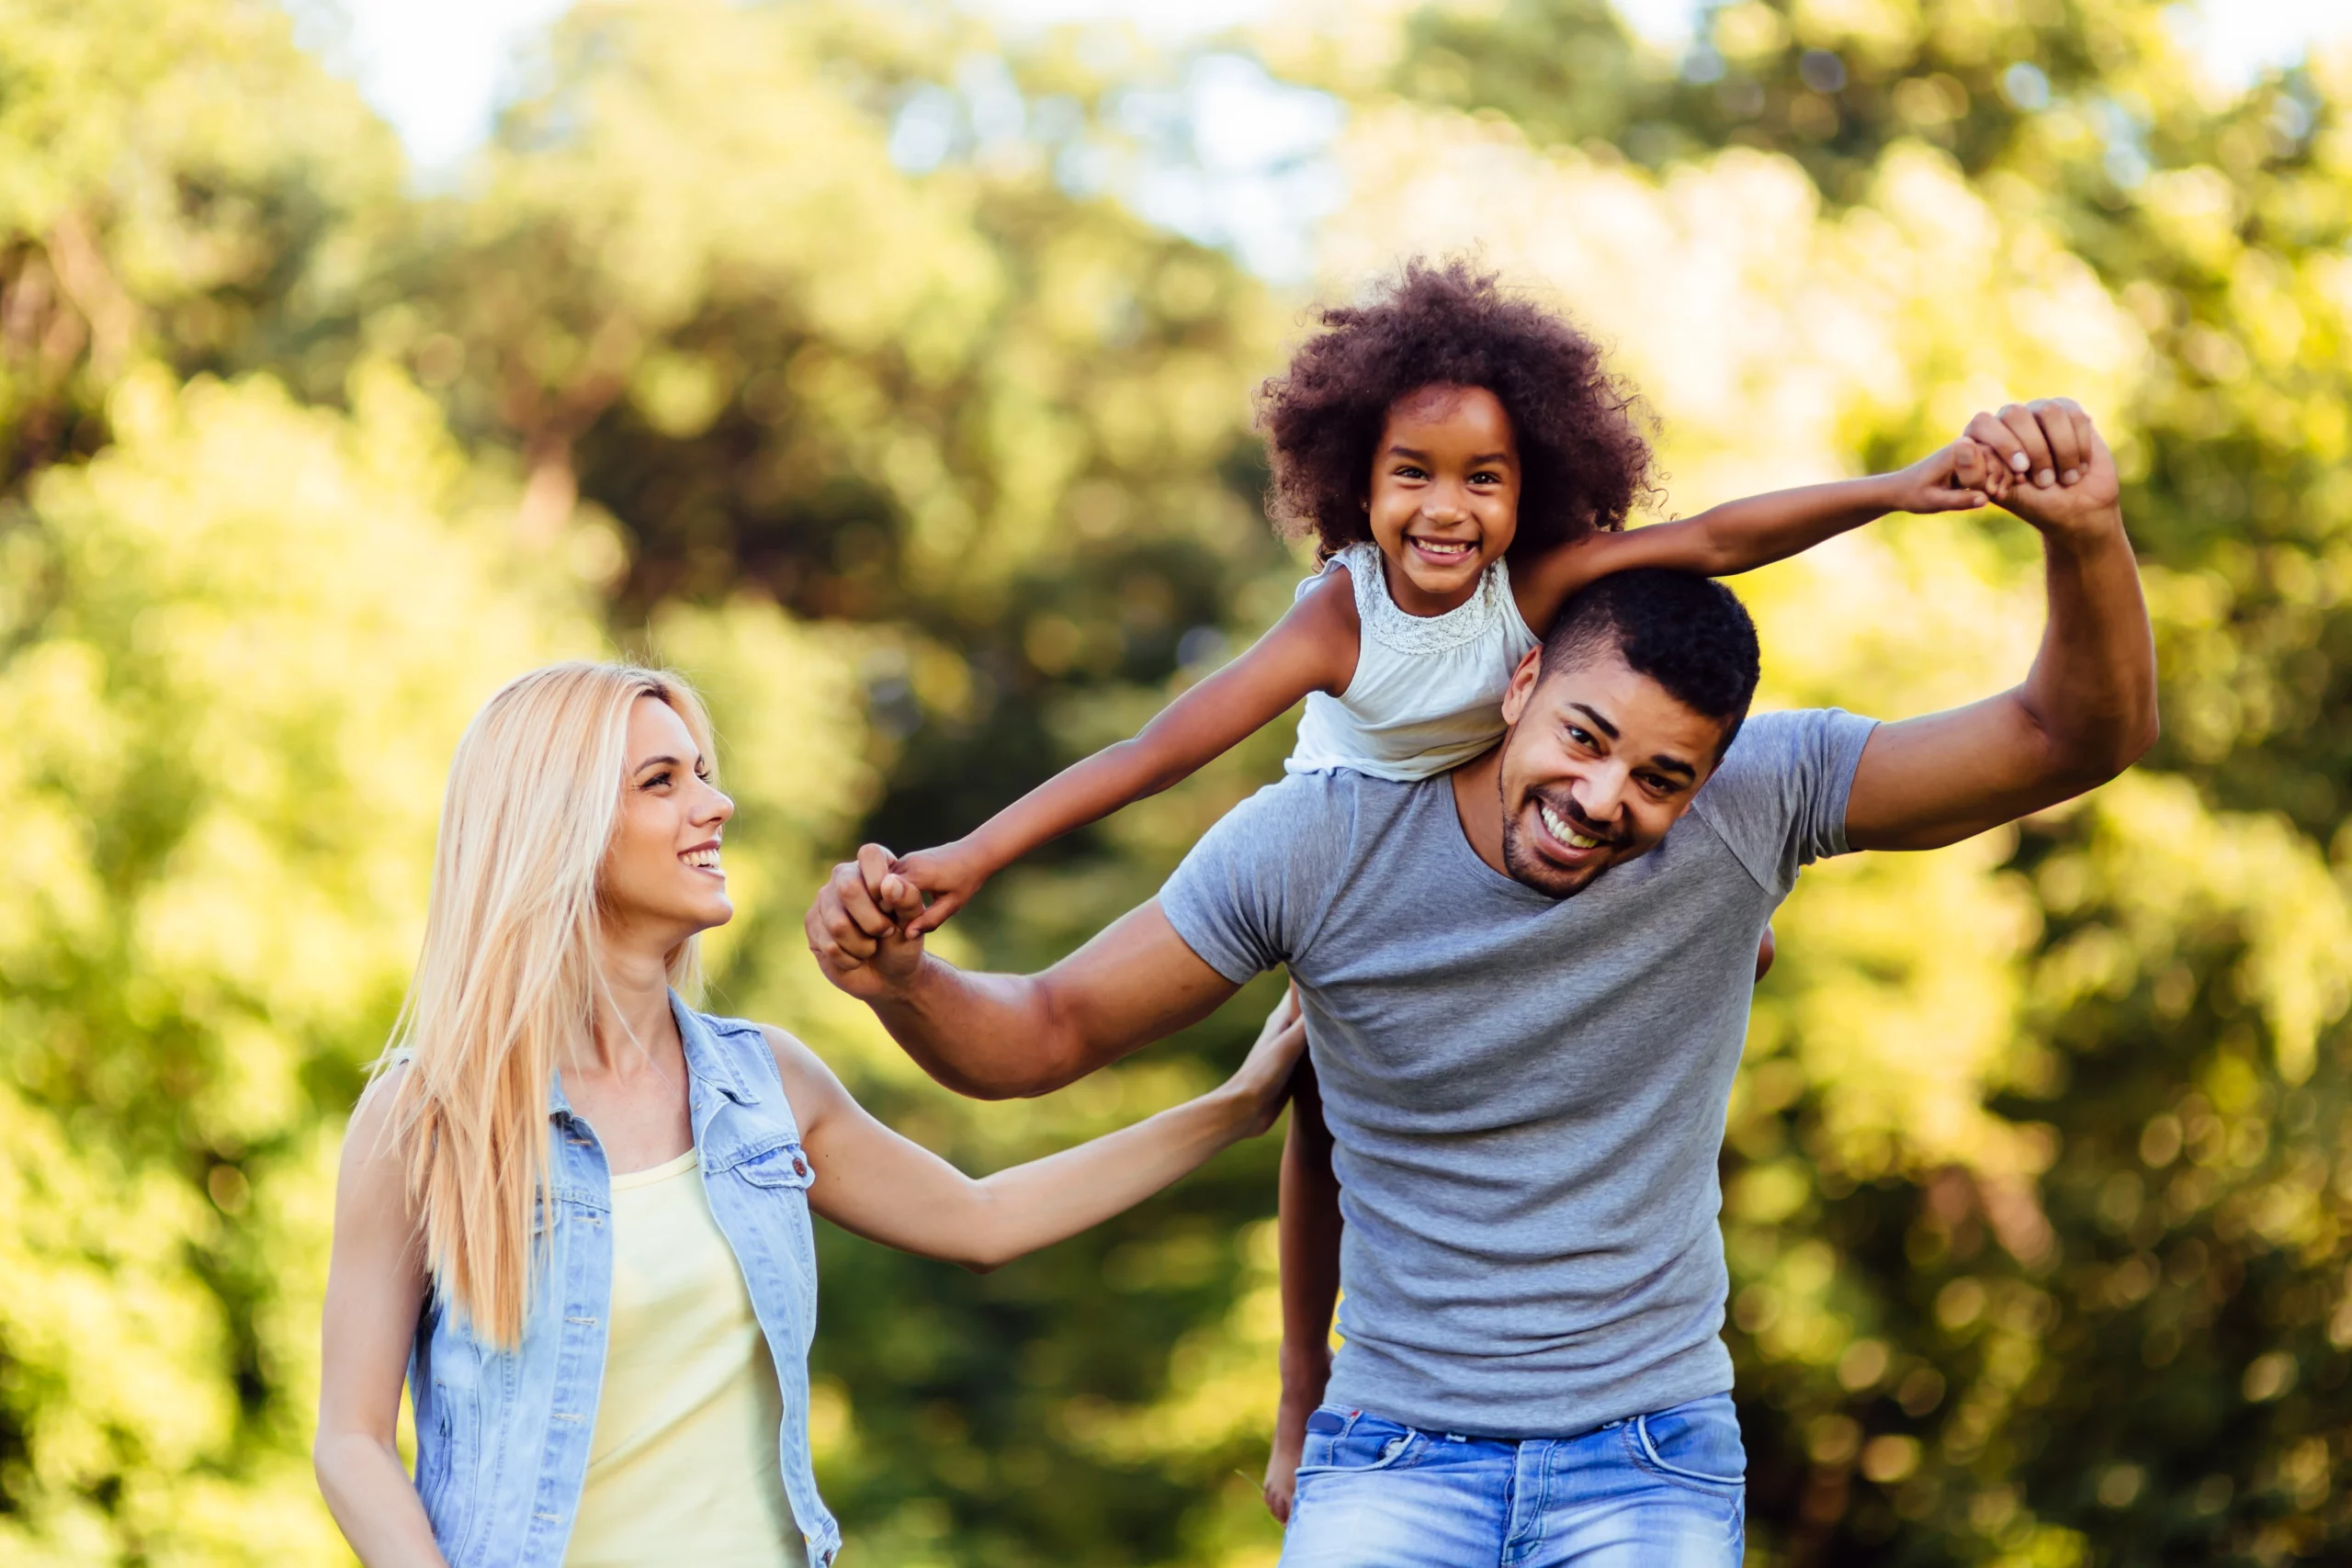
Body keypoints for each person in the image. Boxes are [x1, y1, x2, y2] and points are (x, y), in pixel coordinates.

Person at [805, 399, 2155, 1565]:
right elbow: (1039, 1034)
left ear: (1710, 777)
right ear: (1520, 684)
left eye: (1660, 779)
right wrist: (901, 977)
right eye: (1585, 735)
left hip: (1653, 1451)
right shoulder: (1318, 839)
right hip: (1392, 1456)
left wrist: (2085, 532)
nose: (1600, 798)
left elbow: (2071, 733)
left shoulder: (1760, 797)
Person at [312, 661, 1306, 1568]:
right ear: (555, 826)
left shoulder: (762, 1086)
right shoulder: (431, 1114)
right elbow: (352, 1441)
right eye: (662, 783)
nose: (716, 804)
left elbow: (984, 1218)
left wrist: (1234, 1109)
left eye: (701, 772)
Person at [885, 260, 2005, 938]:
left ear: (1535, 488)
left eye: (1485, 479)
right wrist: (975, 855)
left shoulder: (1534, 581)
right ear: (1357, 483)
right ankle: (1298, 1339)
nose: (1446, 510)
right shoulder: (1338, 620)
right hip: (1361, 832)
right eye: (1412, 474)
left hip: (1493, 812)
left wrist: (1896, 491)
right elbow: (1151, 753)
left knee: (1692, 904)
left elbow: (1714, 538)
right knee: (1317, 1077)